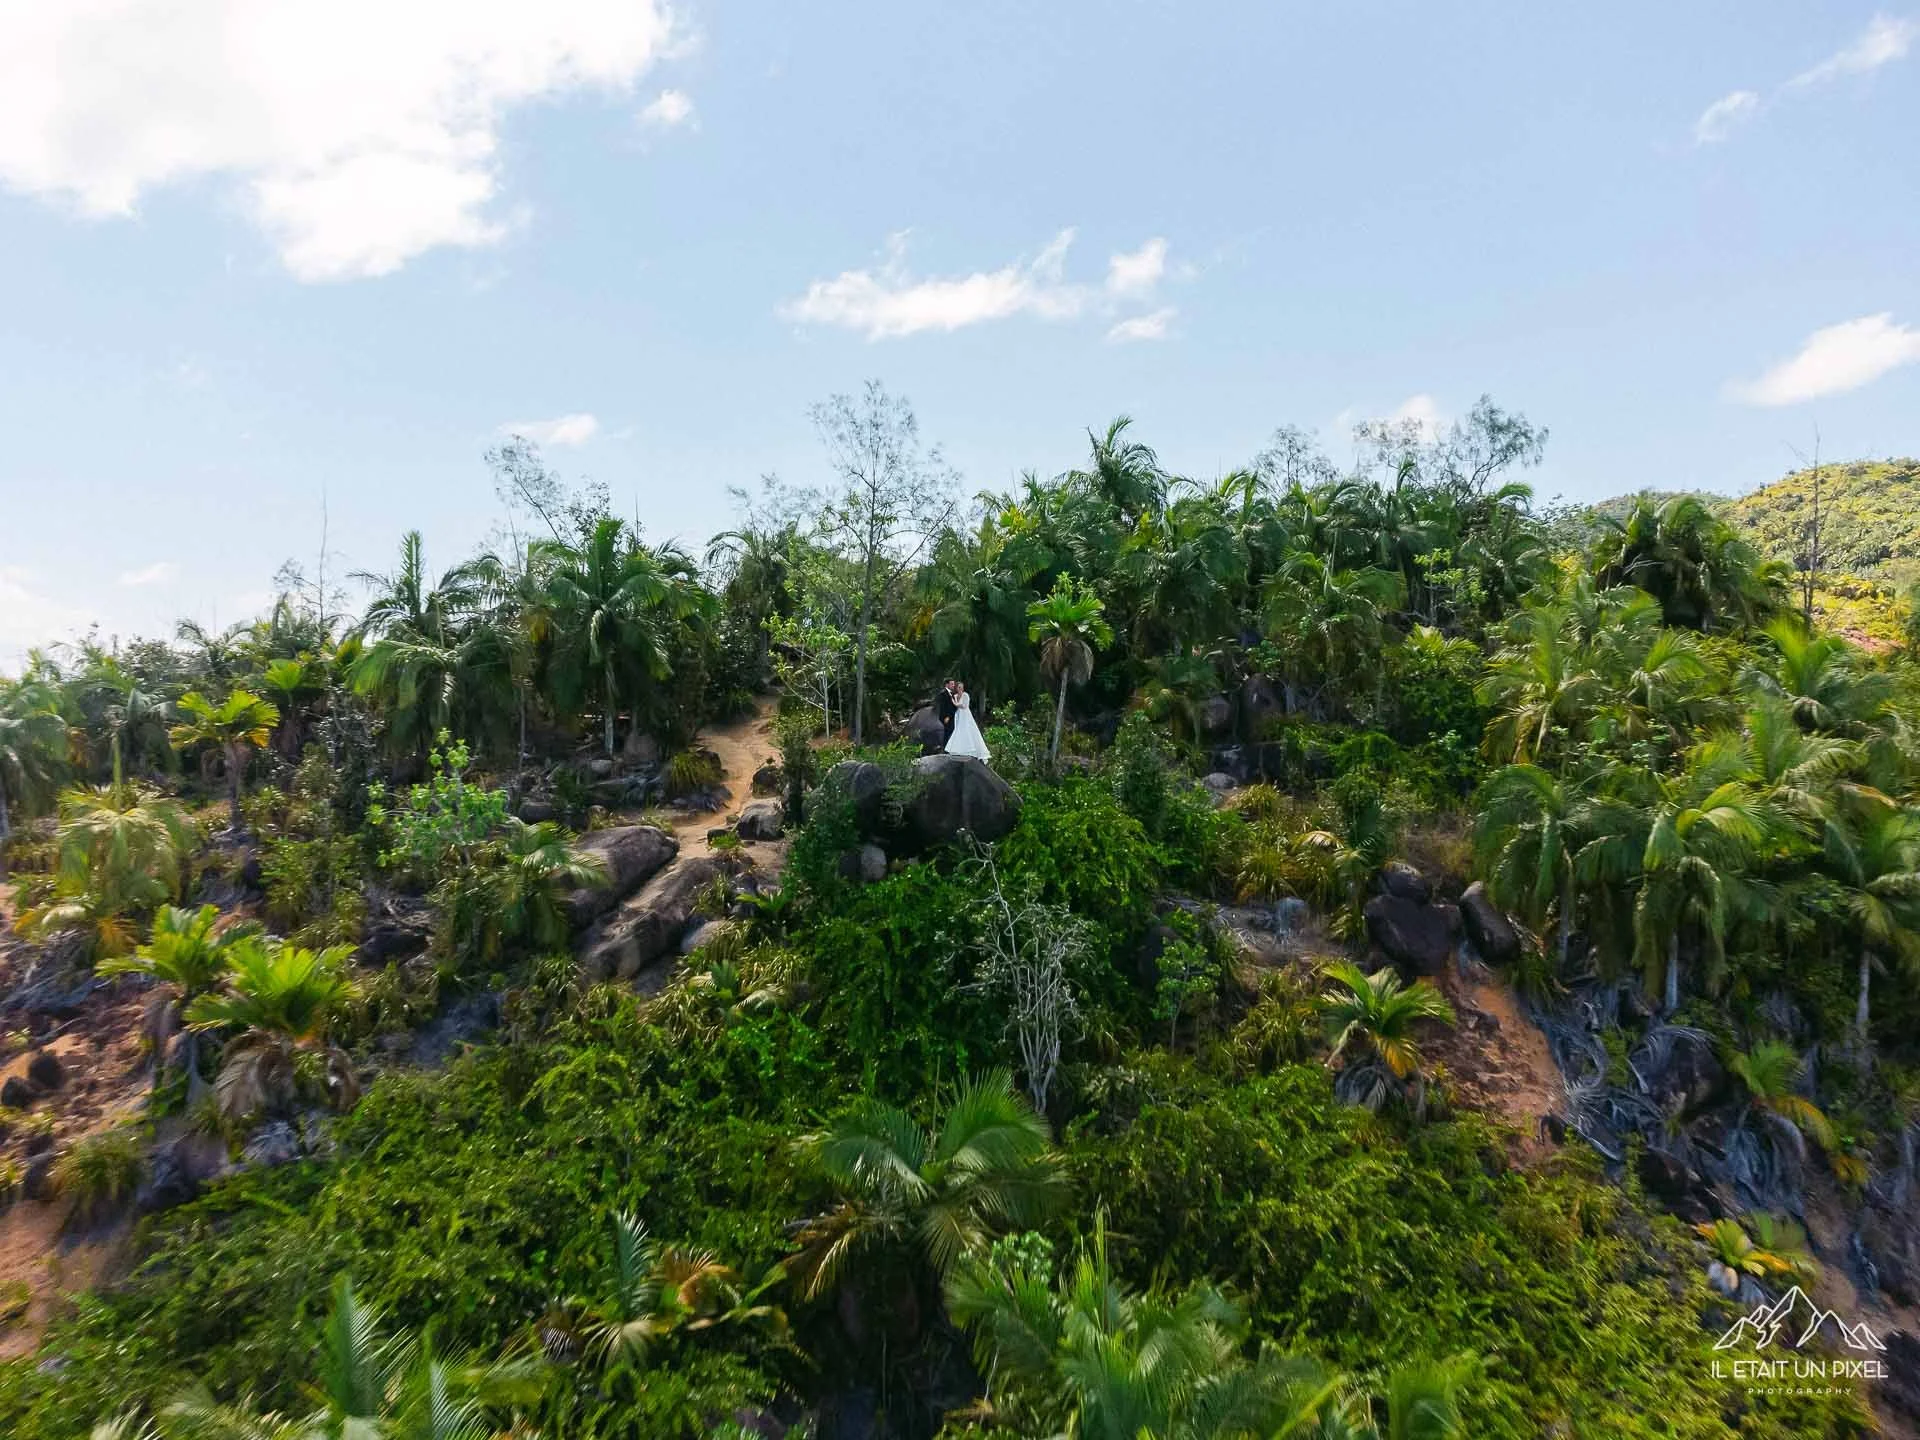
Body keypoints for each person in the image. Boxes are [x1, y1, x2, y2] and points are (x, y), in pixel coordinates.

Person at [944, 681, 991, 762]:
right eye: (959, 687)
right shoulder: (955, 696)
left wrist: (955, 704)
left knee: (967, 730)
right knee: (958, 731)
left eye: (962, 687)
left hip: (965, 714)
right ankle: (959, 749)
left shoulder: (965, 695)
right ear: (957, 688)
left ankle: (970, 749)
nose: (960, 689)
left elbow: (964, 706)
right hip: (958, 715)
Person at [934, 679, 958, 747]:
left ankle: (948, 747)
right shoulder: (943, 693)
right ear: (947, 685)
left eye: (954, 684)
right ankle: (945, 747)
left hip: (951, 716)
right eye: (952, 684)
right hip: (946, 717)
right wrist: (947, 717)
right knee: (947, 732)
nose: (953, 685)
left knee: (950, 731)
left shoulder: (952, 693)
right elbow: (943, 707)